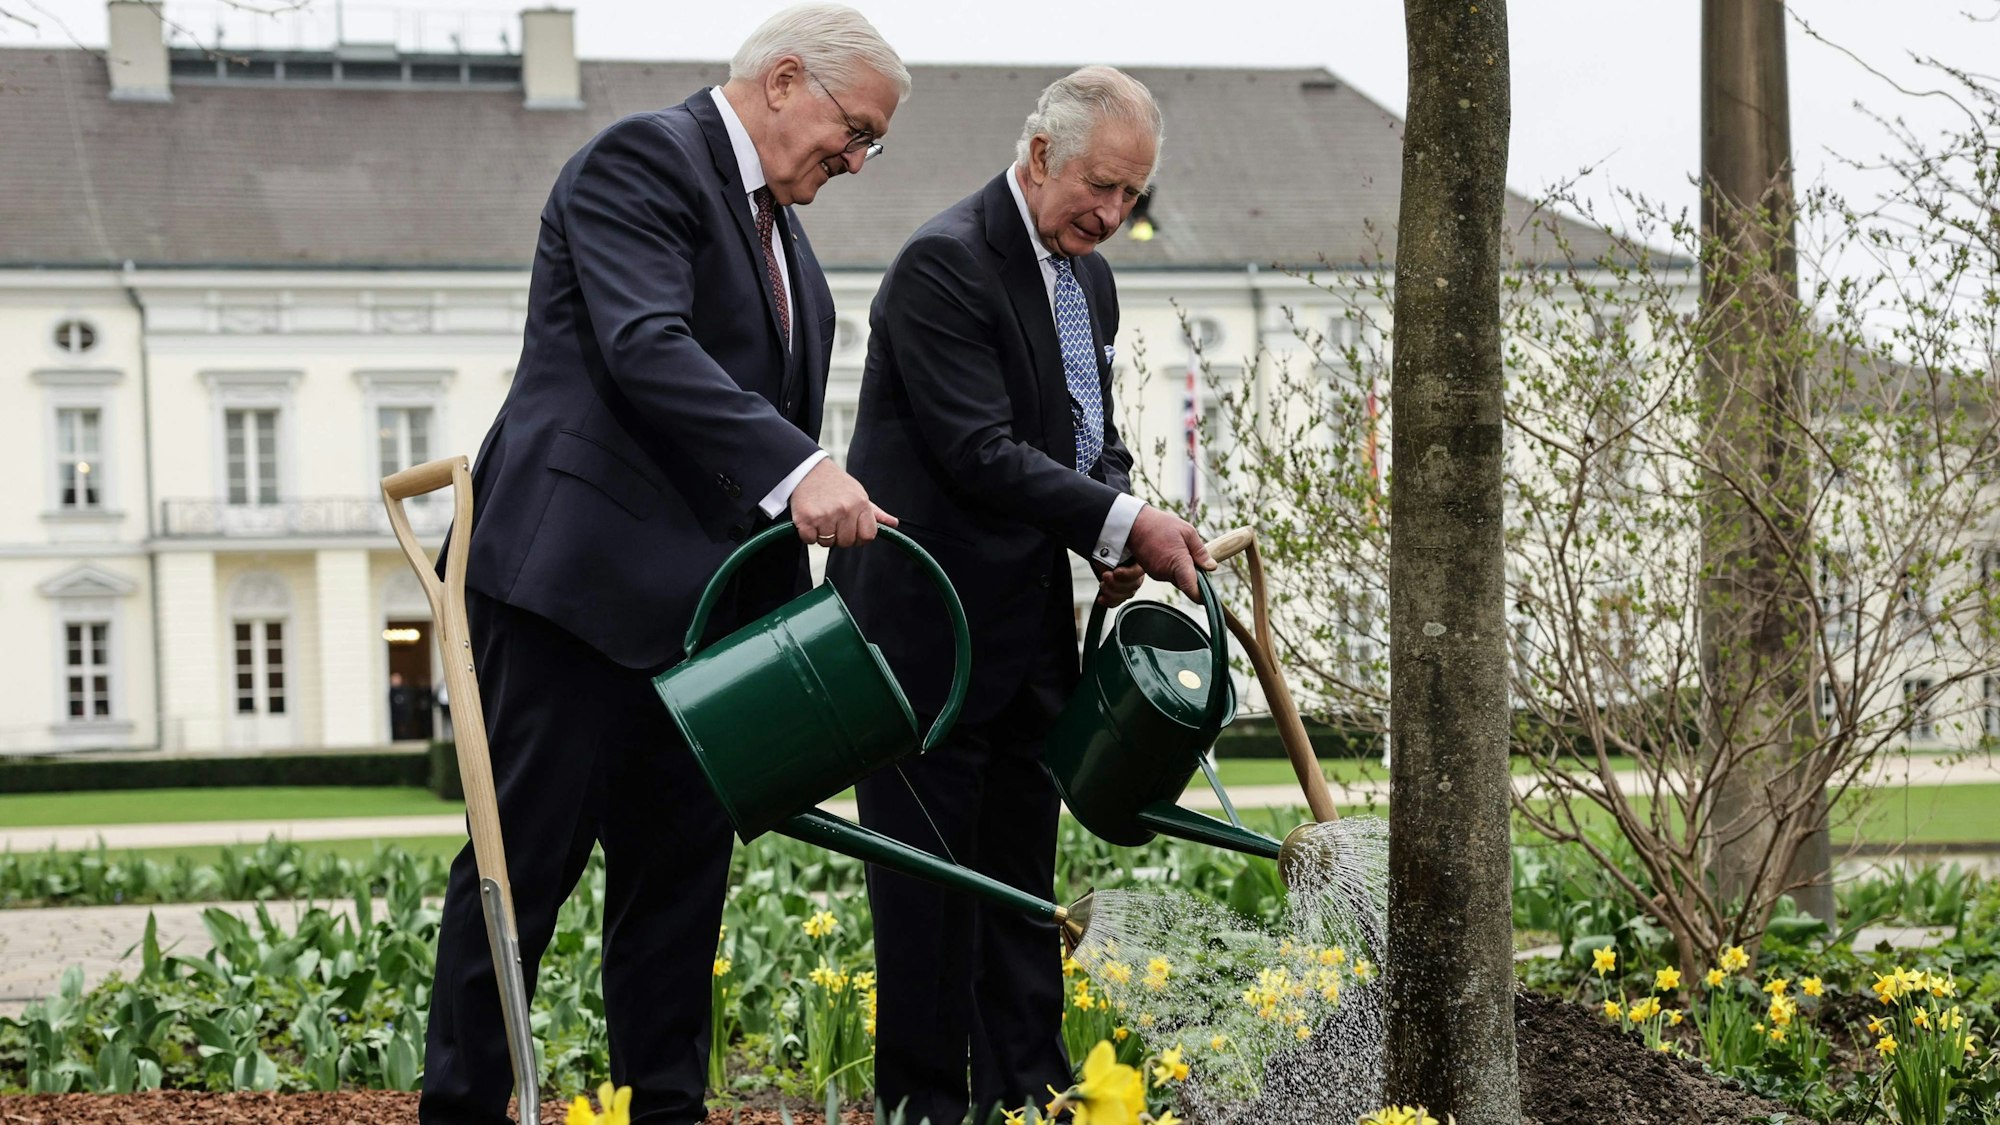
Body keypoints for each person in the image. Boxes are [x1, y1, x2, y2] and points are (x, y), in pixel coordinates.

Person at [418, 8, 909, 1123]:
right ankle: (461, 1109)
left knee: (680, 894)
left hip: (705, 637)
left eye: (872, 145)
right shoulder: (642, 161)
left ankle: (667, 1111)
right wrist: (801, 470)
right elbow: (646, 345)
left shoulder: (794, 252)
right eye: (855, 129)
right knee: (517, 878)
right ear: (784, 80)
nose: (857, 159)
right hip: (570, 600)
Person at [824, 66, 1212, 1125]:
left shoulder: (1090, 277)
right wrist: (1122, 523)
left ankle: (1030, 1099)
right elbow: (978, 451)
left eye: (1133, 196)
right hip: (921, 646)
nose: (1112, 214)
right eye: (1099, 187)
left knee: (1015, 894)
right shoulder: (944, 266)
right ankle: (924, 1109)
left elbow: (1088, 437)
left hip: (1025, 641)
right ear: (1040, 154)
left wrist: (1114, 514)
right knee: (928, 905)